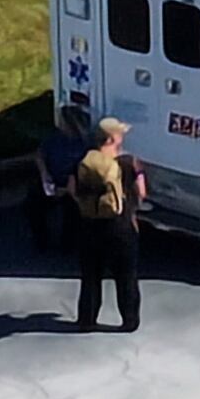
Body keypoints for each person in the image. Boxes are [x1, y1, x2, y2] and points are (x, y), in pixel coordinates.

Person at [69, 116, 146, 332]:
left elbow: (73, 190)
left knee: (91, 275)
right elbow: (142, 191)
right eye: (120, 133)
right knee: (126, 275)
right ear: (112, 139)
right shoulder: (129, 162)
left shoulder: (84, 162)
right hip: (121, 227)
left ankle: (87, 319)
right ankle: (129, 320)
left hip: (89, 225)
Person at [27, 100, 95, 252]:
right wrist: (45, 176)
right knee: (33, 203)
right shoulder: (55, 138)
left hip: (74, 185)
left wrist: (66, 189)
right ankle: (41, 240)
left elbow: (84, 169)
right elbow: (40, 155)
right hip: (53, 181)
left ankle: (68, 241)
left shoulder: (83, 145)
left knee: (72, 208)